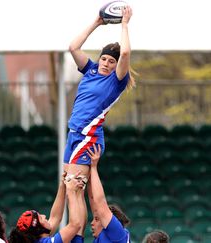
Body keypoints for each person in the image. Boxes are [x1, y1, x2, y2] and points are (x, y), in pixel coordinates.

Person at [64, 5, 134, 180]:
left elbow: (125, 53)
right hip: (74, 132)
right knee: (65, 184)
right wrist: (96, 22)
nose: (105, 63)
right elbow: (73, 47)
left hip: (88, 136)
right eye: (103, 58)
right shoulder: (91, 70)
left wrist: (124, 24)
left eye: (111, 61)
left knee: (74, 187)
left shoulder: (116, 81)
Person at [8, 172, 87, 243]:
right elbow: (75, 224)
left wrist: (62, 186)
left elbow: (55, 217)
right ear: (39, 230)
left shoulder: (37, 238)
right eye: (41, 218)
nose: (44, 216)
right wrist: (71, 191)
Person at [87, 144, 131, 243]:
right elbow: (93, 198)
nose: (92, 223)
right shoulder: (103, 237)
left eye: (97, 219)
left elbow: (100, 202)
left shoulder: (117, 233)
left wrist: (94, 167)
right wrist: (88, 171)